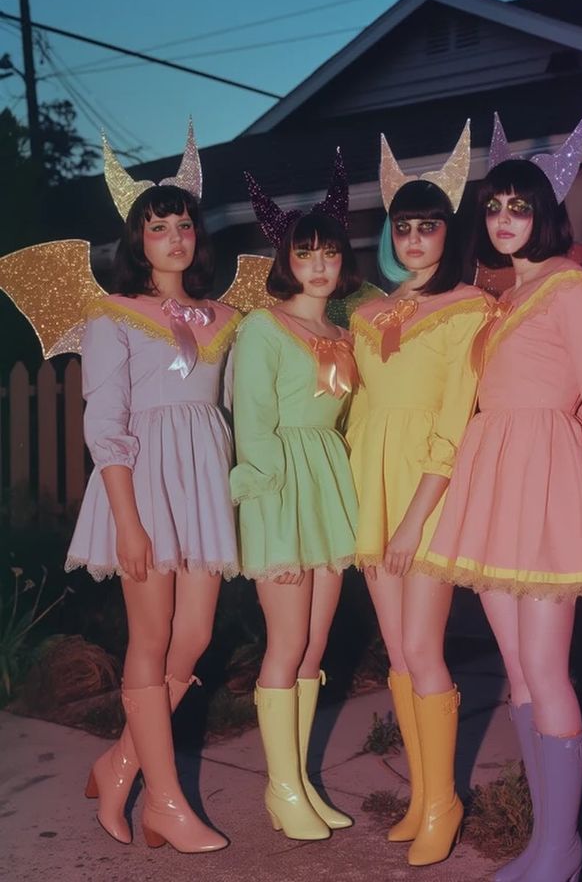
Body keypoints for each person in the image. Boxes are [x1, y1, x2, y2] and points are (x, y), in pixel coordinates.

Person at [424, 114, 582, 882]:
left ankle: (562, 849)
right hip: (495, 482)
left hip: (542, 477)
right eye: (493, 208)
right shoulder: (502, 296)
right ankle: (539, 842)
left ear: (545, 214)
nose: (504, 220)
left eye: (518, 207)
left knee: (547, 669)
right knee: (518, 668)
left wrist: (553, 438)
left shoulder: (572, 287)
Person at [67, 128, 238, 852]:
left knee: (194, 637)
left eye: (183, 224)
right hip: (139, 488)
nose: (174, 236)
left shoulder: (228, 318)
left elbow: (230, 410)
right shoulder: (112, 315)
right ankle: (163, 802)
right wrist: (127, 522)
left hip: (200, 488)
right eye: (157, 226)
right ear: (138, 240)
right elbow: (104, 421)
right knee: (153, 636)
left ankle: (120, 762)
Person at [347, 123, 488, 866]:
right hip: (375, 496)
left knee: (425, 649)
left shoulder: (468, 308)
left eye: (428, 226)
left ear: (448, 232)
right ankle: (422, 794)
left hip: (424, 501)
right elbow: (364, 412)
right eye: (403, 227)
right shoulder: (367, 315)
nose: (414, 239)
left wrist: (411, 522)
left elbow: (452, 420)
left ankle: (445, 802)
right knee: (398, 654)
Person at [232, 153, 361, 840]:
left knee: (314, 645)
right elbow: (252, 428)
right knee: (284, 643)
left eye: (328, 253)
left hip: (326, 487)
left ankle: (303, 781)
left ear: (343, 262)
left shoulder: (341, 333)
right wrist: (269, 524)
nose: (317, 265)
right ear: (287, 260)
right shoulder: (262, 328)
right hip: (280, 489)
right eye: (304, 253)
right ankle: (280, 791)